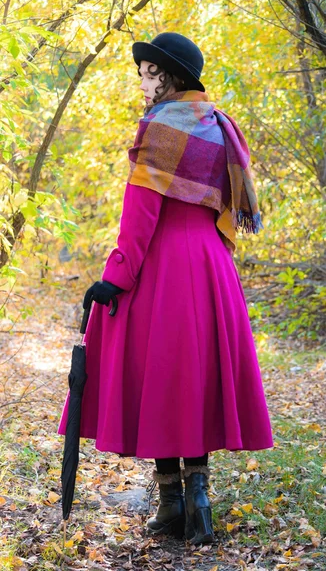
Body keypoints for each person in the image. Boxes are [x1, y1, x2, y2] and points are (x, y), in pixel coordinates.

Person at [58, 32, 273, 545]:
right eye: (142, 72)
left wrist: (115, 277)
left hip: (162, 265)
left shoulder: (159, 128)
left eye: (150, 73)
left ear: (171, 77)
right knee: (193, 377)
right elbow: (225, 211)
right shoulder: (219, 126)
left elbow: (141, 216)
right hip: (212, 267)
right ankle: (196, 503)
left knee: (160, 375)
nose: (143, 81)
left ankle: (173, 502)